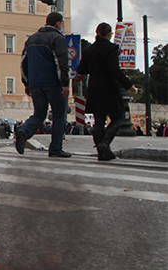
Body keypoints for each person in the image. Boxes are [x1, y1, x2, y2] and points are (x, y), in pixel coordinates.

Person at [76, 22, 138, 160]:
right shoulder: (112, 48)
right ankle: (104, 143)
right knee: (118, 117)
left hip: (93, 88)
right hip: (109, 88)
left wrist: (93, 67)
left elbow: (81, 69)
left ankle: (101, 152)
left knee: (99, 120)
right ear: (109, 34)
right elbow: (114, 70)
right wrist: (129, 85)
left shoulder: (88, 50)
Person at [15, 12, 71, 158]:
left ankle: (24, 131)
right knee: (59, 114)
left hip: (35, 83)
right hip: (53, 83)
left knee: (39, 113)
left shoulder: (31, 39)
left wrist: (26, 82)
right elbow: (61, 63)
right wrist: (65, 84)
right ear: (58, 23)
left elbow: (23, 63)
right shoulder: (57, 38)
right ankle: (56, 148)